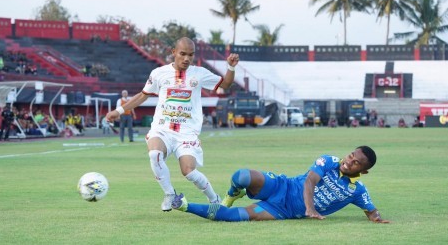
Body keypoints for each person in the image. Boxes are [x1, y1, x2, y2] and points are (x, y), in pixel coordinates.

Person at [106, 37, 239, 211]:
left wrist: (230, 66)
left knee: (189, 171)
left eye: (190, 55)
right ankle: (169, 194)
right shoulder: (159, 73)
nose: (186, 59)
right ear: (173, 52)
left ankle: (214, 200)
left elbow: (226, 84)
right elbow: (143, 95)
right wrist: (119, 111)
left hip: (187, 132)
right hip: (162, 129)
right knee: (154, 154)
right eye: (182, 54)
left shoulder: (199, 74)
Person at [171, 146, 390, 224]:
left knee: (232, 217)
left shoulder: (357, 191)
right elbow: (310, 181)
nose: (349, 161)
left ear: (363, 171)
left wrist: (377, 218)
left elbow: (371, 210)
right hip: (281, 186)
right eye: (351, 155)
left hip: (280, 210)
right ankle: (231, 195)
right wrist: (310, 208)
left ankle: (183, 205)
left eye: (356, 163)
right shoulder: (329, 161)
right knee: (242, 176)